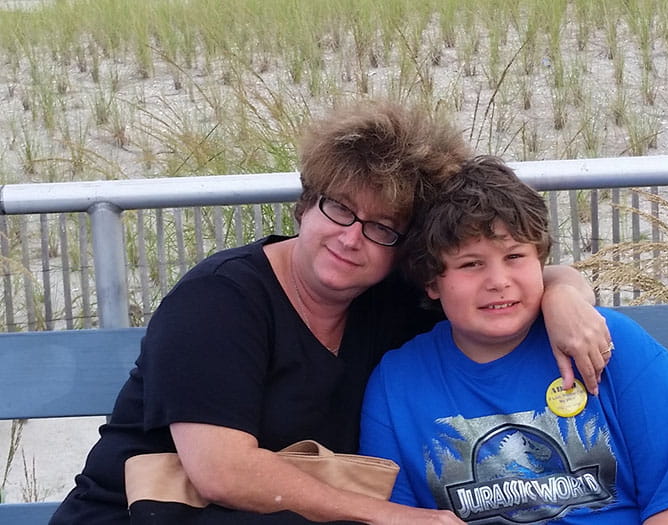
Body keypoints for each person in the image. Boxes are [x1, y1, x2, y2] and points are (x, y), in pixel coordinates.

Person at [50, 101, 610, 525]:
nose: (351, 238)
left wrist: (562, 291)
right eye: (339, 208)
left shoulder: (391, 299)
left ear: (406, 248)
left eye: (382, 227)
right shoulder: (220, 300)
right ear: (305, 204)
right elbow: (221, 470)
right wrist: (394, 516)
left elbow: (495, 279)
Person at [359, 155, 668, 524]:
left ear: (541, 260)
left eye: (515, 257)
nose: (498, 281)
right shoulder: (397, 384)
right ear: (432, 282)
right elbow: (394, 514)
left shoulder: (609, 342)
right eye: (471, 264)